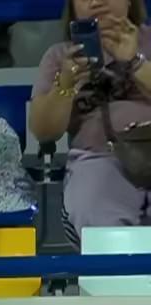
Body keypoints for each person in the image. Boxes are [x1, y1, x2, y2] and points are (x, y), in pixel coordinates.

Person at [29, 0, 151, 232]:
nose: (96, 2)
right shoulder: (60, 57)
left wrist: (135, 63)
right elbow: (44, 132)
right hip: (97, 160)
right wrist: (66, 86)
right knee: (93, 202)